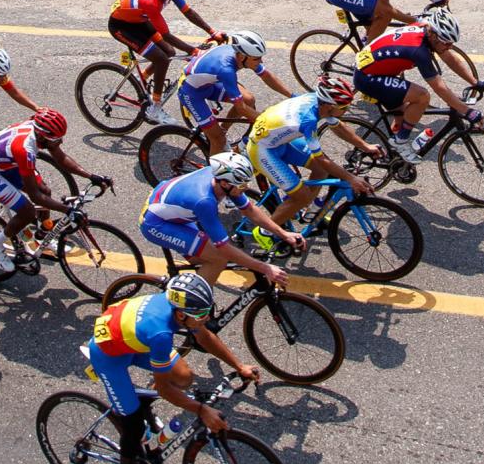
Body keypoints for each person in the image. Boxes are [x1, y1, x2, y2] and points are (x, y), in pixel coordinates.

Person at [85, 270, 259, 464]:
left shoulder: (180, 311)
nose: (205, 318)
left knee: (185, 377)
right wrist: (201, 410)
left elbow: (204, 336)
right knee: (133, 425)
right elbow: (166, 390)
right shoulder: (162, 334)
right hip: (109, 357)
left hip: (132, 339)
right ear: (180, 315)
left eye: (207, 311)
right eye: (199, 315)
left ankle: (140, 402)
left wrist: (239, 366)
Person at [0, 108, 109, 274]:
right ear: (42, 137)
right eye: (56, 139)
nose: (60, 142)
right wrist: (68, 210)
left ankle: (43, 234)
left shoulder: (38, 133)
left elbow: (60, 157)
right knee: (27, 212)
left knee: (46, 190)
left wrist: (91, 176)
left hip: (6, 161)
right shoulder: (25, 149)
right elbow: (36, 196)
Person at [139, 151, 296, 290]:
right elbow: (224, 248)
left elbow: (249, 209)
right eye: (241, 183)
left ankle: (187, 286)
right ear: (225, 183)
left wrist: (284, 234)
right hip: (156, 223)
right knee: (218, 259)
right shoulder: (205, 201)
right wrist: (265, 268)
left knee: (203, 257)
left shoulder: (220, 178)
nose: (246, 188)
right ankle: (190, 309)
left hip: (170, 207)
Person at [250, 76, 387, 231]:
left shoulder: (319, 101)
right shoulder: (308, 119)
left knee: (321, 171)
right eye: (343, 107)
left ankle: (309, 212)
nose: (346, 110)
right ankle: (264, 232)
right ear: (329, 106)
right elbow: (321, 158)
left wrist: (365, 146)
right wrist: (351, 178)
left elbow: (338, 126)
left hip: (278, 140)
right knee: (302, 196)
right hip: (263, 150)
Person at [353, 13, 484, 160]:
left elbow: (450, 58)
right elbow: (439, 87)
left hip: (376, 71)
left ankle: (393, 161)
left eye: (451, 43)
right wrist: (468, 112)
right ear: (433, 35)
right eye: (446, 43)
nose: (449, 46)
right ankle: (400, 143)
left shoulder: (425, 31)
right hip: (368, 77)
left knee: (403, 117)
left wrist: (474, 82)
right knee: (422, 96)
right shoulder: (418, 50)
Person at [108, 0, 217, 121]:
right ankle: (155, 107)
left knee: (170, 52)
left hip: (139, 20)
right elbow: (166, 35)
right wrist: (193, 51)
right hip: (122, 27)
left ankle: (140, 79)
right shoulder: (151, 1)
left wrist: (212, 31)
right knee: (161, 59)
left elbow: (188, 12)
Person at [173, 30, 282, 152]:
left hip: (209, 84)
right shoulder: (227, 70)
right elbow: (241, 108)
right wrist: (268, 123)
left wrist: (292, 95)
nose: (261, 61)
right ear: (241, 56)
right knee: (219, 140)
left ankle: (223, 130)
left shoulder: (240, 53)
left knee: (248, 100)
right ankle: (214, 170)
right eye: (257, 58)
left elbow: (266, 75)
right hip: (191, 93)